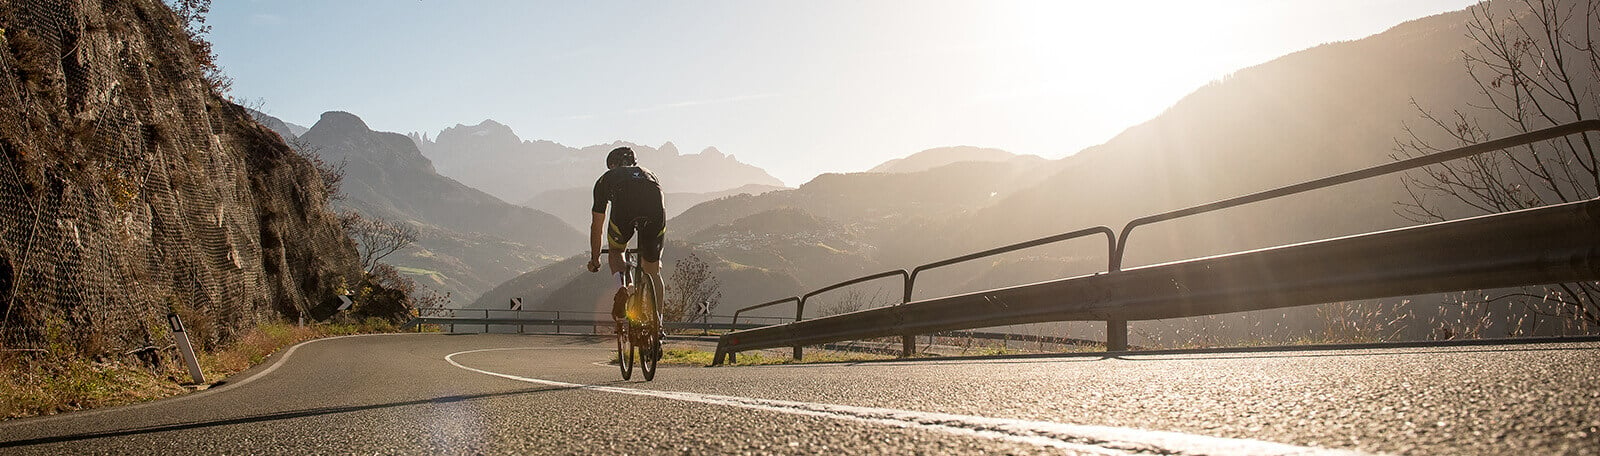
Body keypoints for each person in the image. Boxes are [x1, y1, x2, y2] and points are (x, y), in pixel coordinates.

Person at [585, 147, 666, 335]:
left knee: (616, 251)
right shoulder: (649, 173)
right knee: (653, 269)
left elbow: (597, 225)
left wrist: (595, 259)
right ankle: (658, 325)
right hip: (654, 203)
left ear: (611, 165)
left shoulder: (606, 179)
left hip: (624, 206)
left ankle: (622, 288)